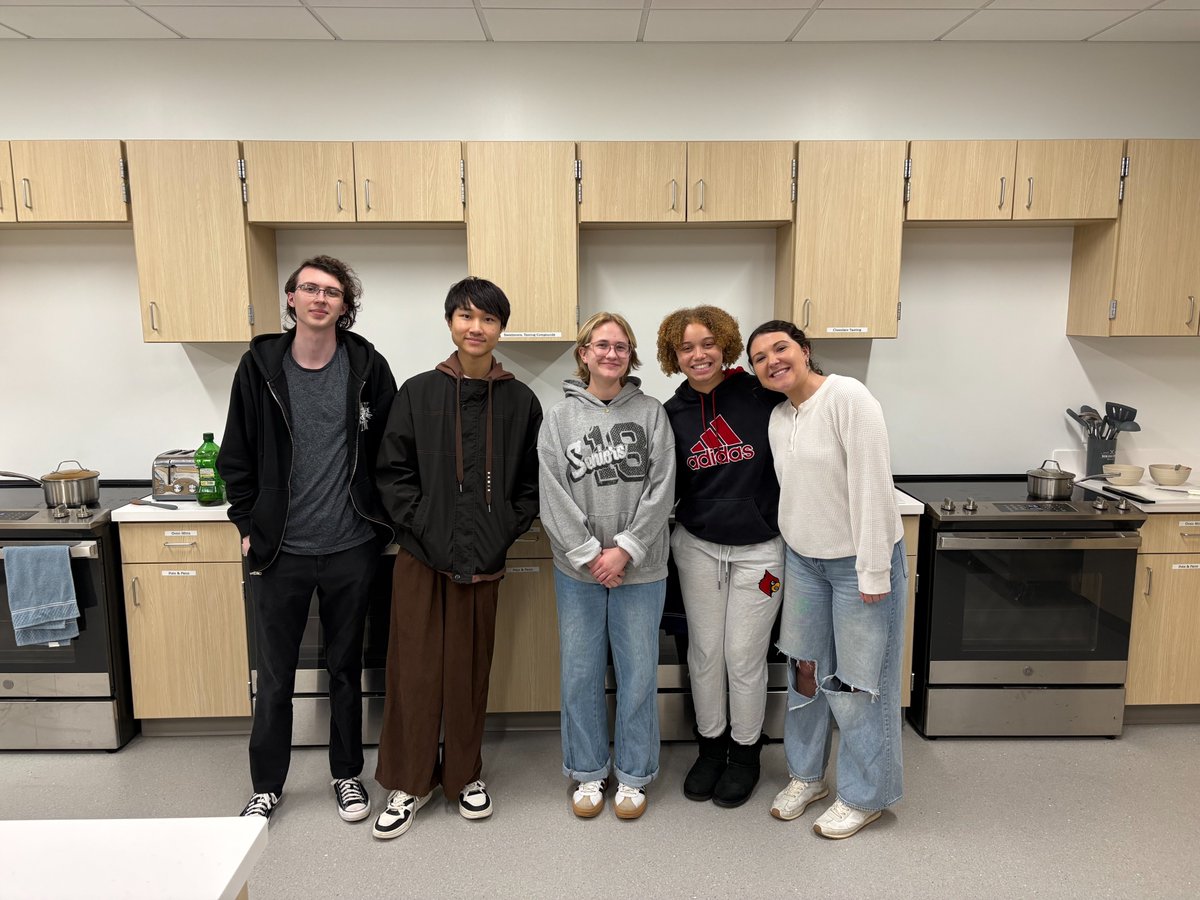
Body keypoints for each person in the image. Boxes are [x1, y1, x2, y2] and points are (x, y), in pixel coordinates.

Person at [219, 255, 397, 823]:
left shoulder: (368, 367)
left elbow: (393, 452)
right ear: (291, 299)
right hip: (280, 551)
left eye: (333, 292)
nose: (320, 298)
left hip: (351, 547)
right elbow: (237, 454)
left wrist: (384, 525)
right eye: (309, 289)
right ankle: (267, 784)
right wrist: (247, 524)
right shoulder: (259, 367)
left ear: (346, 306)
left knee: (346, 669)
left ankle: (346, 775)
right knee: (275, 676)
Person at [371, 277, 542, 840]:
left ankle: (465, 774)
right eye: (466, 316)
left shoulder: (521, 400)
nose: (477, 328)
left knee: (469, 672)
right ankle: (408, 782)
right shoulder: (417, 393)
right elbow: (392, 476)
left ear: (500, 329)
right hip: (421, 557)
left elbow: (530, 486)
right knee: (415, 670)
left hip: (484, 559)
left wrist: (498, 531)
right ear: (450, 323)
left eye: (488, 319)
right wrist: (426, 529)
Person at [746, 319, 906, 840]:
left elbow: (871, 488)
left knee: (860, 685)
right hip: (804, 565)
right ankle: (807, 776)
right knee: (806, 674)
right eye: (760, 357)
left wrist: (874, 569)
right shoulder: (776, 419)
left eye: (781, 348)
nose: (772, 361)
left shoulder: (848, 397)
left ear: (805, 350)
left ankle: (865, 796)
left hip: (857, 564)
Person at [538, 312, 676, 821]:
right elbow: (551, 493)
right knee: (580, 673)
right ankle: (588, 770)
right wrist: (591, 555)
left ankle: (635, 776)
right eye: (602, 345)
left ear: (630, 355)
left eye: (621, 346)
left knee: (639, 672)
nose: (611, 353)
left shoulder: (651, 413)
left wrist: (625, 549)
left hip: (640, 568)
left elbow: (663, 489)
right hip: (579, 572)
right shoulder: (559, 418)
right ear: (584, 352)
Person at [656, 305, 784, 808]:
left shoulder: (761, 394)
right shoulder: (673, 413)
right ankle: (710, 747)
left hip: (764, 554)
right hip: (698, 549)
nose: (698, 354)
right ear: (674, 355)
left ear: (724, 344)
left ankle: (746, 753)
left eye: (707, 343)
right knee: (705, 654)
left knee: (744, 656)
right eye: (686, 347)